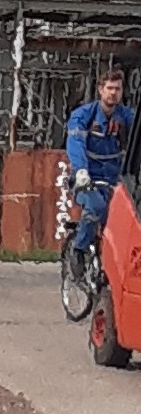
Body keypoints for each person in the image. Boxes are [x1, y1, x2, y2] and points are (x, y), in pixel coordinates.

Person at [65, 66, 135, 285]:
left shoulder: (127, 117)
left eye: (118, 89)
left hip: (115, 179)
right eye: (109, 88)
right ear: (100, 90)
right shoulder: (83, 116)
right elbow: (75, 143)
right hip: (87, 178)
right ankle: (78, 250)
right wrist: (81, 170)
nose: (113, 93)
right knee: (95, 206)